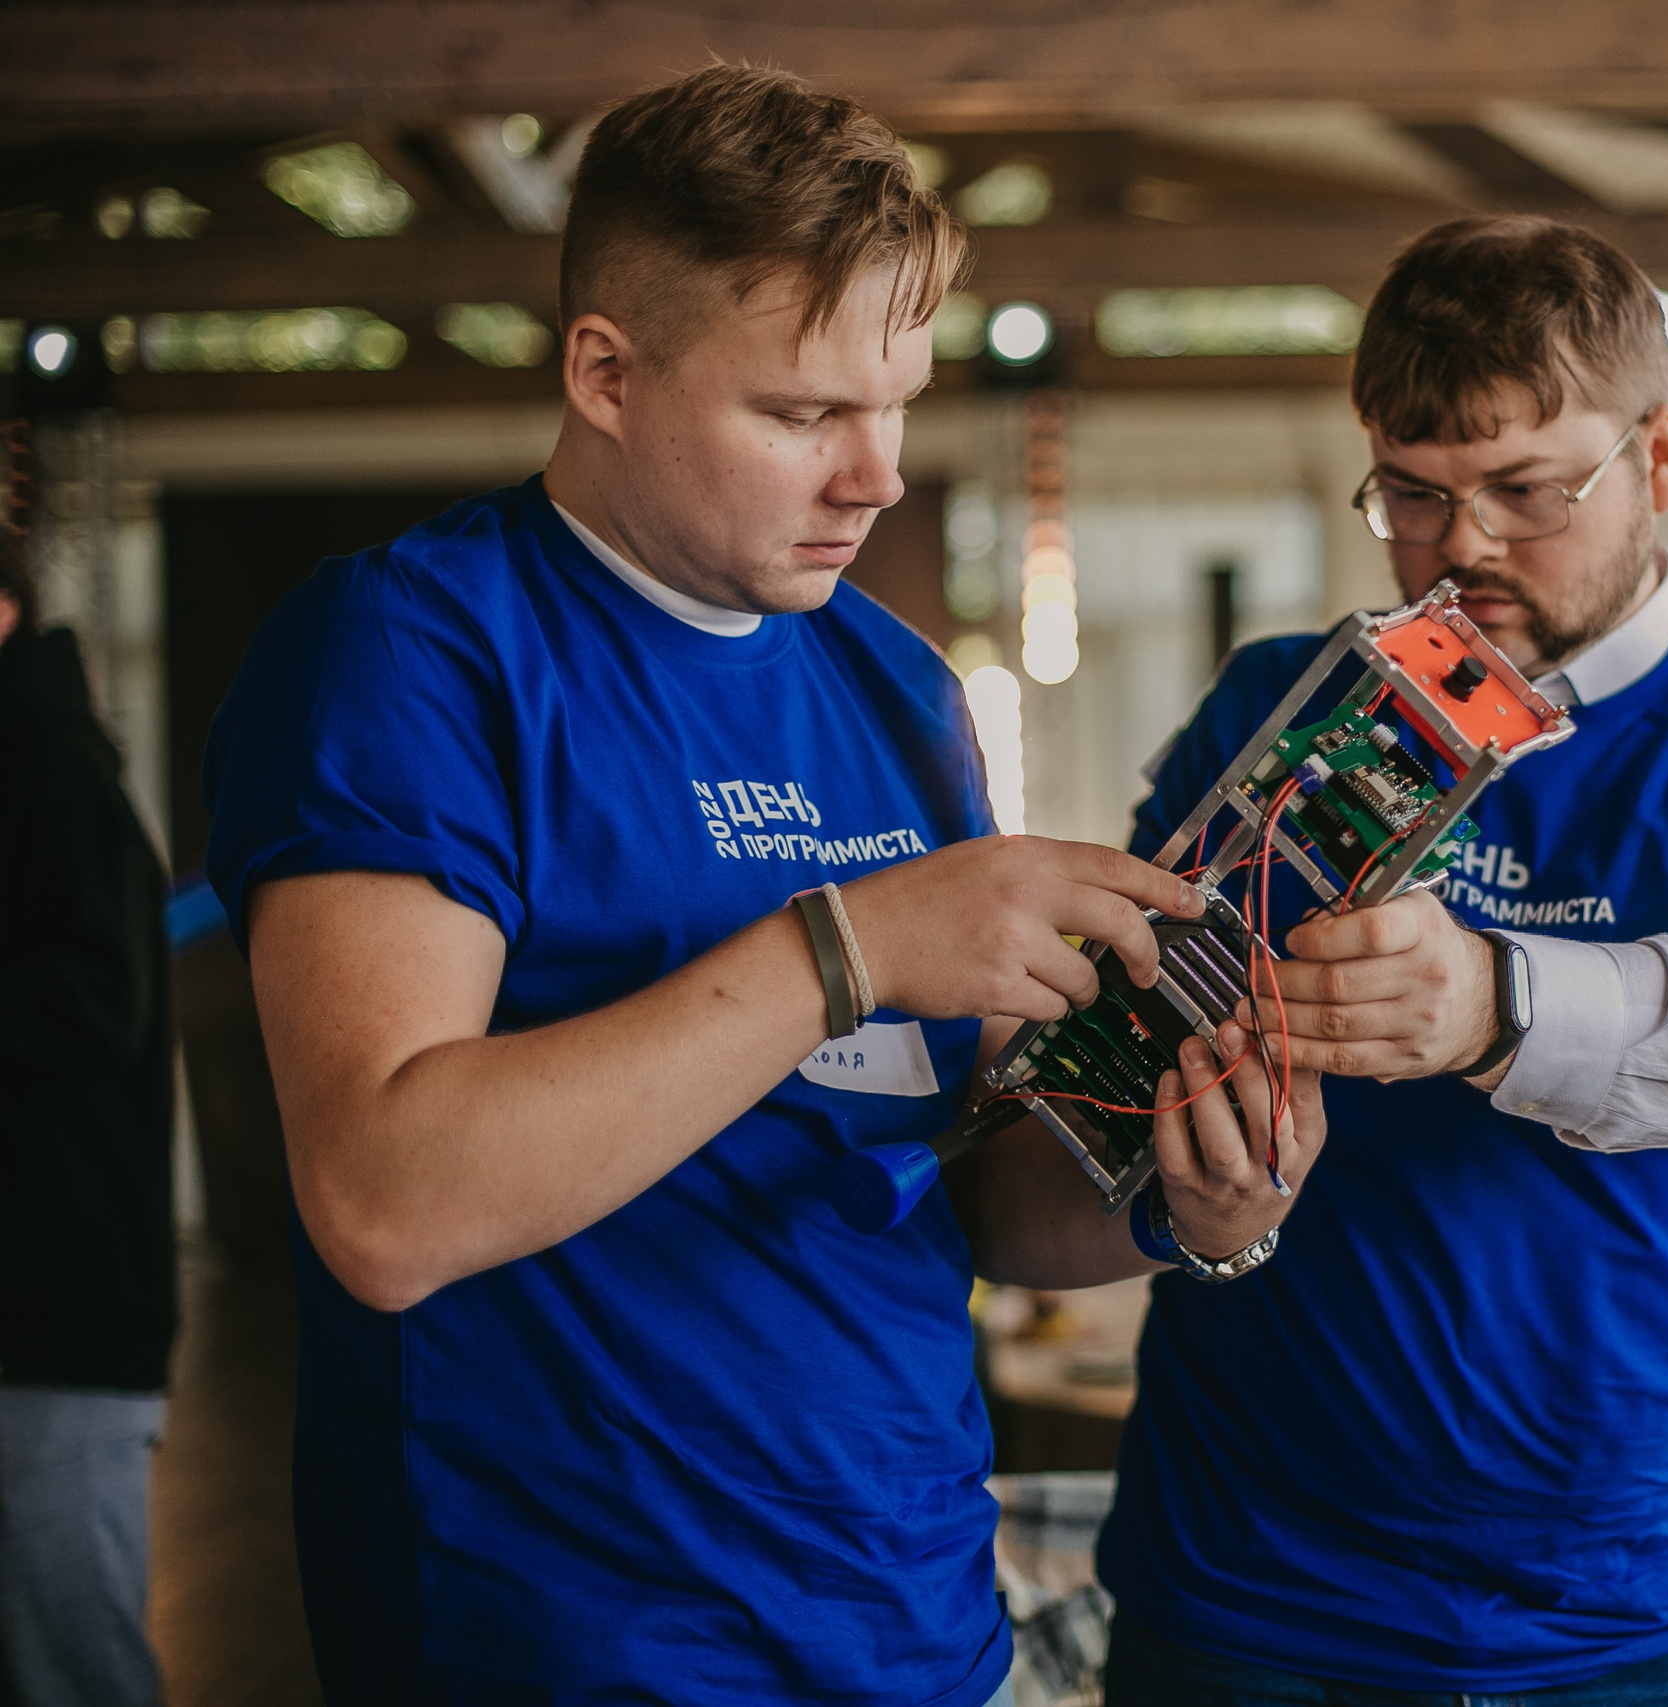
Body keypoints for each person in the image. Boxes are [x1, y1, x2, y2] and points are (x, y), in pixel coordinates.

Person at [203, 65, 1319, 1706]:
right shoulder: (411, 647)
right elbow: (384, 1201)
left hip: (914, 1621)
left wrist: (1188, 1197)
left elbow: (965, 1194)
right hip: (572, 1647)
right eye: (802, 416)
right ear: (606, 371)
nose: (875, 475)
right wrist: (851, 946)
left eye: (895, 404)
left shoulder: (898, 687)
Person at [1095, 215, 1668, 1705]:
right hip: (1245, 1585)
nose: (1462, 546)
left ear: (1659, 458)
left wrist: (1493, 1001)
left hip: (1611, 1609)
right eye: (1412, 494)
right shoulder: (1281, 704)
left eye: (1525, 490)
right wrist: (1195, 1201)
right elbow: (1136, 1060)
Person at [0, 521, 174, 1707]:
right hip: (40, 1312)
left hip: (56, 1318)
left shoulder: (48, 764)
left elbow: (99, 995)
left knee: (69, 1659)